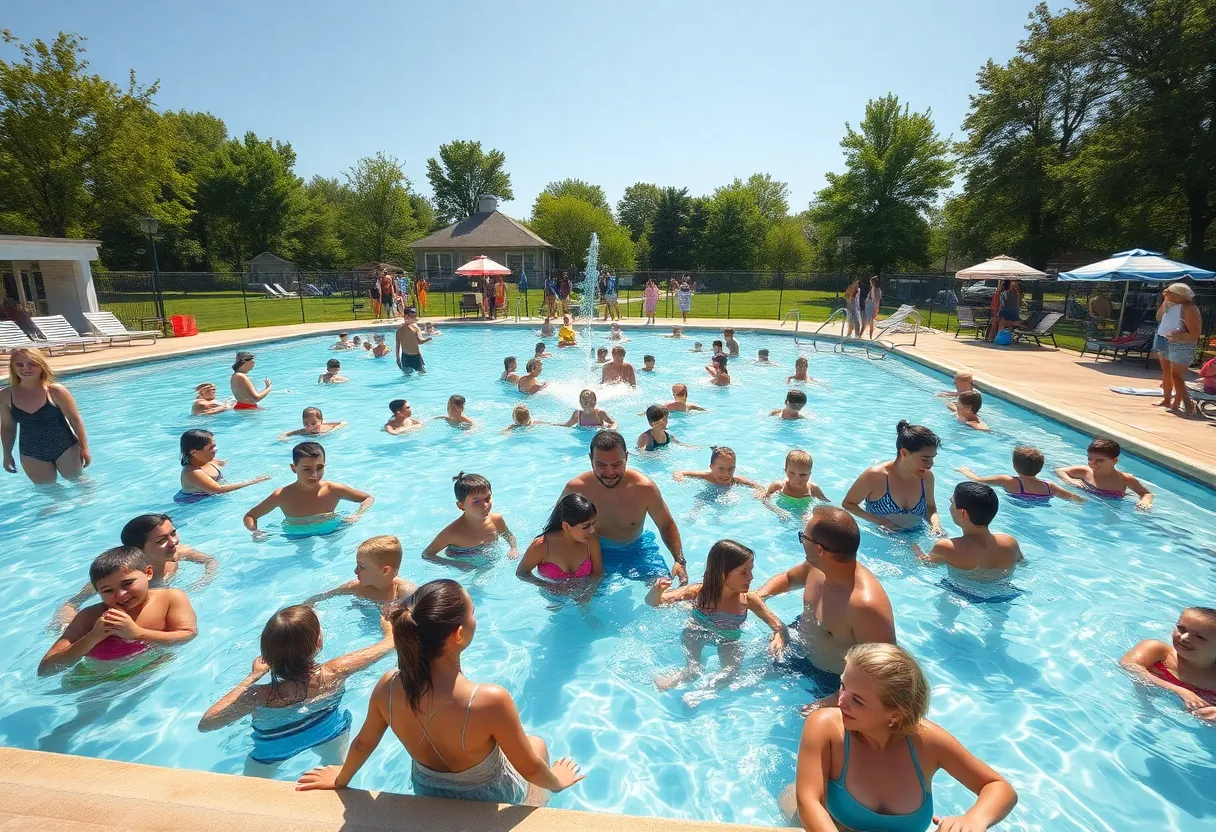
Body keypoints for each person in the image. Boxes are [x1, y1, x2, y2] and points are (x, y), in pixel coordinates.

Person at [296, 580, 584, 804]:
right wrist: (558, 781)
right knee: (538, 745)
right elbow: (531, 769)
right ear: (458, 635)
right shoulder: (488, 700)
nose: (475, 617)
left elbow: (361, 744)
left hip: (427, 790)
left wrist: (341, 778)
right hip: (491, 798)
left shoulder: (388, 686)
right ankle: (535, 808)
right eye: (473, 612)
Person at [784, 643, 1018, 831]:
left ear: (895, 715)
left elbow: (999, 787)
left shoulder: (927, 741)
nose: (840, 701)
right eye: (843, 687)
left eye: (858, 700)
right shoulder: (825, 726)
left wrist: (975, 819)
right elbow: (809, 802)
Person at [199, 605, 395, 775]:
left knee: (253, 791)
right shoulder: (336, 671)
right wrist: (388, 625)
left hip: (271, 752)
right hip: (329, 733)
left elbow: (207, 724)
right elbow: (388, 644)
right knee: (334, 767)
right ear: (318, 643)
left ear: (266, 656)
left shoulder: (257, 696)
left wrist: (251, 678)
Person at [757, 507, 897, 705]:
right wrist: (759, 596)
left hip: (832, 682)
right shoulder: (816, 565)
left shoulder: (865, 606)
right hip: (798, 646)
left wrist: (826, 703)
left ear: (819, 549)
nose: (802, 542)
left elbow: (883, 675)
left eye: (803, 537)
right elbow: (788, 579)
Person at [646, 540, 787, 703]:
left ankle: (701, 694)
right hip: (695, 632)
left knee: (730, 673)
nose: (751, 577)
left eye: (751, 570)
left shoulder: (749, 599)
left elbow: (778, 625)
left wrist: (779, 636)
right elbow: (653, 603)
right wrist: (657, 590)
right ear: (722, 574)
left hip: (728, 639)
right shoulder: (699, 592)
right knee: (693, 670)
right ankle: (666, 682)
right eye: (743, 572)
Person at [39, 547, 198, 677]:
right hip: (96, 678)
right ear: (98, 592)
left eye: (127, 583)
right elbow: (46, 670)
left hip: (153, 667)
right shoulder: (89, 617)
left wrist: (138, 633)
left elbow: (187, 635)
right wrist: (94, 636)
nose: (121, 594)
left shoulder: (171, 598)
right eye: (108, 590)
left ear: (148, 573)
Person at [560, 431, 688, 583]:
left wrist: (679, 560)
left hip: (636, 550)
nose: (609, 472)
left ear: (627, 458)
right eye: (601, 465)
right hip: (590, 552)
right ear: (590, 459)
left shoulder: (644, 488)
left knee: (663, 591)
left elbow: (666, 524)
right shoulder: (577, 488)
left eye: (616, 464)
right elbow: (557, 526)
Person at [55, 514, 218, 628]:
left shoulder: (177, 554)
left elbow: (210, 561)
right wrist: (68, 625)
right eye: (162, 540)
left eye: (173, 533)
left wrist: (203, 582)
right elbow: (72, 602)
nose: (173, 542)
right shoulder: (123, 577)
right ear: (139, 549)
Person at [914, 483, 1024, 603]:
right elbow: (1023, 564)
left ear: (963, 513)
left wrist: (913, 547)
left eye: (952, 503)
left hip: (962, 595)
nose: (950, 507)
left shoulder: (946, 547)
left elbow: (926, 564)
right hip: (1005, 596)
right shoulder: (1010, 543)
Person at [243, 442, 374, 537]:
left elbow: (368, 498)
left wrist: (356, 515)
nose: (314, 475)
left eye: (319, 468)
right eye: (307, 469)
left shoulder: (333, 489)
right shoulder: (282, 495)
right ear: (294, 468)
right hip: (298, 534)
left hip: (332, 529)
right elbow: (250, 516)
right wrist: (255, 531)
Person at [2, 348, 90, 483]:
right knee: (48, 492)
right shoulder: (6, 395)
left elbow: (75, 420)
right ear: (13, 368)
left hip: (65, 447)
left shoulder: (55, 391)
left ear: (41, 365)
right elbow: (7, 427)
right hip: (31, 453)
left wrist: (84, 448)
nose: (25, 368)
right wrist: (7, 454)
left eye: (31, 364)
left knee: (80, 483)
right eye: (19, 364)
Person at [843, 421, 942, 534]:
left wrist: (936, 525)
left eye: (932, 458)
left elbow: (930, 507)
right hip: (880, 537)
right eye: (925, 459)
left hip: (917, 535)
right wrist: (880, 522)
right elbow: (848, 504)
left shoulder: (927, 477)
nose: (930, 465)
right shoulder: (874, 476)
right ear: (904, 453)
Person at [1121, 606, 1216, 722]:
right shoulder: (1158, 651)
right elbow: (1128, 665)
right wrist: (1179, 690)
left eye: (1199, 637)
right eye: (1181, 628)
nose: (1184, 637)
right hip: (1139, 712)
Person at [422, 472, 518, 561]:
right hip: (463, 559)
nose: (485, 505)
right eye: (476, 501)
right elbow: (427, 555)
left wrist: (513, 548)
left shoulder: (496, 520)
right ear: (461, 505)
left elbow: (509, 535)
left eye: (487, 498)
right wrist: (457, 565)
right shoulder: (452, 532)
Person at [303, 535, 415, 610]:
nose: (355, 571)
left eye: (361, 567)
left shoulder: (404, 591)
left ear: (385, 571)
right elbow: (322, 596)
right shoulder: (356, 587)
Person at [516, 494, 604, 587]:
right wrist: (549, 586)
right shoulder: (542, 545)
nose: (592, 530)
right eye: (586, 526)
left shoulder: (591, 540)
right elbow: (522, 573)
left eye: (593, 524)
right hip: (551, 599)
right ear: (566, 526)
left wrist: (589, 591)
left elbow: (597, 571)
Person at [959, 445, 1084, 503]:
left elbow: (977, 480)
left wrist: (967, 472)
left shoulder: (1008, 480)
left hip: (1017, 504)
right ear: (1040, 468)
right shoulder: (1049, 486)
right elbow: (1074, 498)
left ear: (1014, 466)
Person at [1055, 438, 1153, 509]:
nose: (1092, 464)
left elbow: (1146, 493)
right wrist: (1070, 480)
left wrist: (1145, 501)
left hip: (1112, 507)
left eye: (1100, 461)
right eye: (1089, 459)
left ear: (1114, 461)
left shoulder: (1124, 479)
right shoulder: (1085, 471)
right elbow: (1059, 471)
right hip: (1086, 505)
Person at [176, 429, 269, 504]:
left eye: (215, 445)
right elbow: (218, 490)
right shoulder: (192, 473)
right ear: (194, 452)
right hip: (195, 504)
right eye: (211, 447)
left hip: (210, 498)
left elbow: (228, 463)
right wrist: (253, 482)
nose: (216, 449)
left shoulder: (210, 461)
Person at [1153, 282, 1203, 416]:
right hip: (1165, 340)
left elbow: (1195, 334)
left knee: (1176, 376)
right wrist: (1165, 302)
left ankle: (1184, 403)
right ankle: (1169, 400)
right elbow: (1158, 317)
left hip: (1181, 345)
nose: (1165, 294)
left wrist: (1180, 335)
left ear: (1179, 295)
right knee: (1168, 373)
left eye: (1168, 293)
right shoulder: (1170, 304)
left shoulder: (1189, 309)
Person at [758, 449, 828, 521]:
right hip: (781, 514)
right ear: (785, 470)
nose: (797, 478)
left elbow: (825, 503)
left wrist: (812, 514)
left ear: (810, 474)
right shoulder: (779, 486)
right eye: (792, 473)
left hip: (803, 515)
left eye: (803, 474)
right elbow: (765, 499)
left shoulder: (813, 488)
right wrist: (778, 511)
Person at [674, 446, 762, 490]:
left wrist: (759, 491)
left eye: (731, 469)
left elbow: (757, 486)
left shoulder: (736, 480)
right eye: (721, 469)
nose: (726, 474)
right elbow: (680, 472)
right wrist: (679, 477)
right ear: (711, 467)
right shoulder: (706, 476)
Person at [395, 308, 430, 375]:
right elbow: (397, 345)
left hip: (416, 356)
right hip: (405, 357)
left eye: (415, 316)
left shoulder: (415, 328)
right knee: (407, 376)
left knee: (422, 374)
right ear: (406, 317)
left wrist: (428, 339)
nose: (414, 318)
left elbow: (420, 341)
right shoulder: (399, 331)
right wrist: (398, 359)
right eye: (412, 316)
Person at [280, 407, 347, 441]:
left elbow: (343, 423)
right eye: (306, 424)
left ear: (321, 421)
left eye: (313, 423)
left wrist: (333, 430)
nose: (310, 427)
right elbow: (285, 434)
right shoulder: (304, 431)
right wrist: (282, 438)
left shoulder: (326, 429)